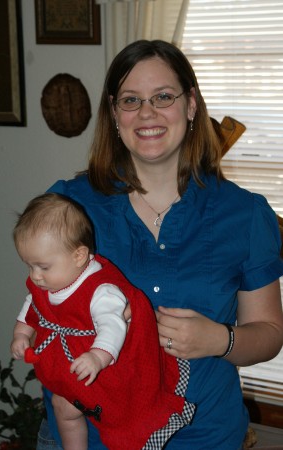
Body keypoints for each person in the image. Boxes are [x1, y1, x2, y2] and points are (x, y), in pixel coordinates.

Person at [36, 39, 283, 449]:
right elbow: (42, 307)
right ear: (114, 113)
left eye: (163, 97)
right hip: (92, 435)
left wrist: (218, 339)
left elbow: (271, 332)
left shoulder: (246, 214)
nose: (147, 113)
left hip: (204, 434)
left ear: (190, 105)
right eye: (131, 100)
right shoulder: (69, 205)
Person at [10, 193, 195, 450]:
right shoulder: (50, 281)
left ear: (78, 256)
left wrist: (98, 356)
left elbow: (113, 326)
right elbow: (33, 304)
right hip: (72, 370)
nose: (35, 276)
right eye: (29, 266)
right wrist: (21, 333)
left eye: (42, 267)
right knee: (62, 407)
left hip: (107, 370)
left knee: (118, 420)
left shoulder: (101, 290)